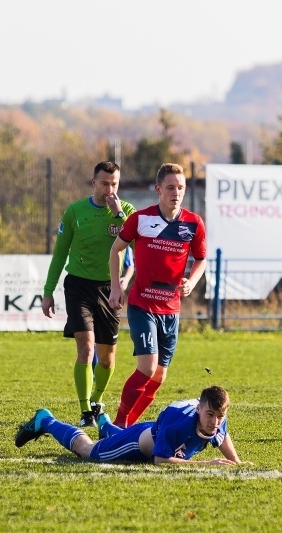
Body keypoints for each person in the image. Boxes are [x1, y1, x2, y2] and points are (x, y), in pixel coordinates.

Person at [108, 163, 207, 428]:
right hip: (142, 305)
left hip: (171, 309)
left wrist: (192, 282)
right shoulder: (140, 219)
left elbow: (201, 259)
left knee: (159, 377)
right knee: (148, 368)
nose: (176, 193)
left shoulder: (193, 223)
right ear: (158, 189)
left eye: (181, 188)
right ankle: (117, 426)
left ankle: (129, 426)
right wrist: (117, 287)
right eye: (171, 187)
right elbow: (116, 249)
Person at [41, 161, 135, 428]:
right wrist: (48, 292)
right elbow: (60, 255)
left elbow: (139, 244)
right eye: (104, 183)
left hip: (110, 289)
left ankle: (96, 400)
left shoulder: (126, 212)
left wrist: (118, 215)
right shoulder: (74, 212)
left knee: (107, 359)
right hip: (79, 286)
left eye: (114, 184)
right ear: (94, 183)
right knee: (86, 348)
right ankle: (84, 411)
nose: (109, 189)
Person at [14, 385, 251, 466]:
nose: (215, 422)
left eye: (219, 416)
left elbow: (223, 434)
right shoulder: (178, 425)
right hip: (136, 446)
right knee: (88, 451)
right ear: (199, 408)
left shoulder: (217, 414)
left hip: (149, 432)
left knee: (116, 436)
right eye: (210, 415)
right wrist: (206, 464)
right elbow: (160, 461)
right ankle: (46, 420)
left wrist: (237, 462)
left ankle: (105, 422)